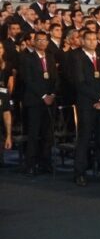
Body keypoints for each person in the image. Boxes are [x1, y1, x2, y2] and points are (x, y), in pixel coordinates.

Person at [73, 30, 100, 187]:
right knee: (84, 139)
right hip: (86, 104)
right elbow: (79, 82)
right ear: (82, 41)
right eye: (88, 39)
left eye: (94, 39)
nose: (92, 42)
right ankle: (80, 173)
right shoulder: (78, 57)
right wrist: (99, 98)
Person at [21, 31, 58, 176]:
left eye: (45, 40)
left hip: (50, 101)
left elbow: (55, 78)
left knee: (47, 134)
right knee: (33, 133)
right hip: (35, 100)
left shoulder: (50, 56)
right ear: (34, 42)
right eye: (39, 40)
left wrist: (53, 94)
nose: (42, 42)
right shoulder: (27, 58)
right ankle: (30, 164)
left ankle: (45, 162)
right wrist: (43, 95)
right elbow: (28, 80)